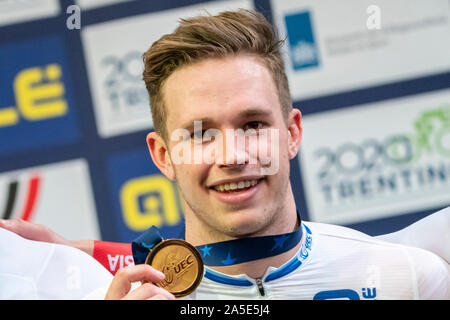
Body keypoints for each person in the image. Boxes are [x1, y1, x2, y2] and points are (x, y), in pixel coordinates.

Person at [1, 9, 449, 300]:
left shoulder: (409, 279)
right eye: (200, 134)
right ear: (163, 155)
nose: (232, 155)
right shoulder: (112, 296)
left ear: (291, 133)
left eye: (253, 125)